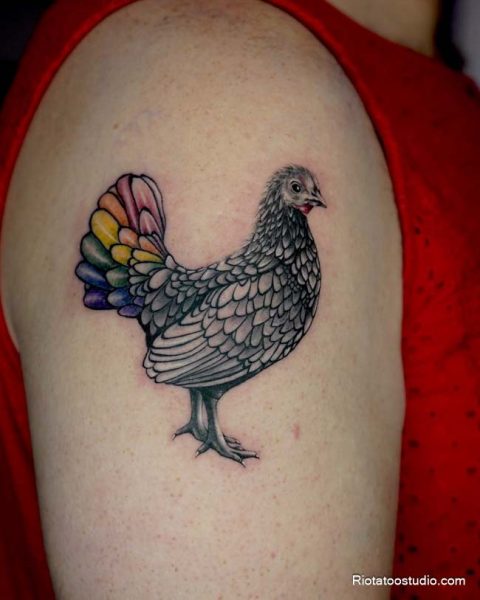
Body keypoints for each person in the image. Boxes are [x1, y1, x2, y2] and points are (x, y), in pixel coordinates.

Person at [0, 1, 478, 598]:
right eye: (298, 188)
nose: (311, 196)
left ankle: (205, 425)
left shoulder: (404, 70)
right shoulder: (240, 84)